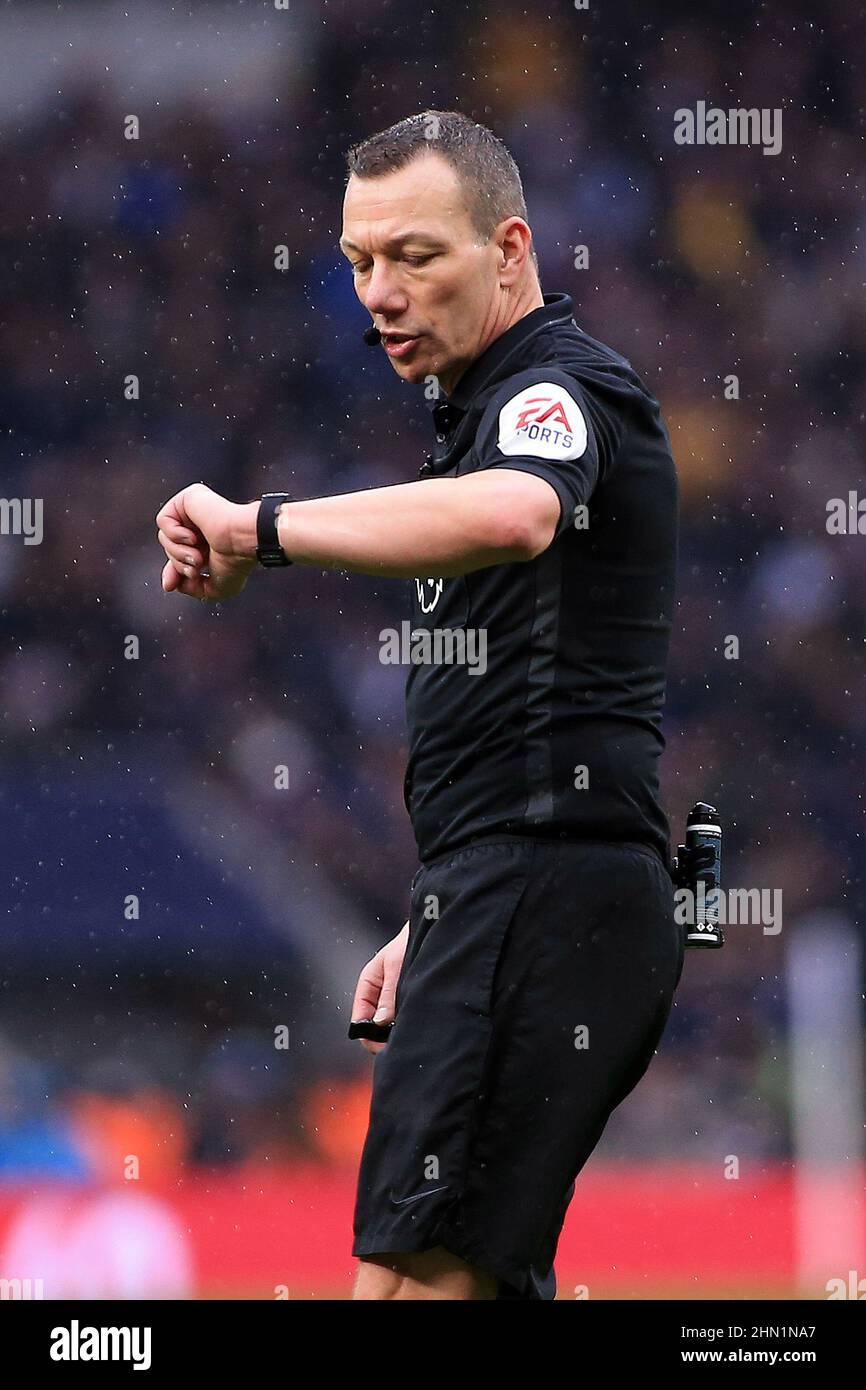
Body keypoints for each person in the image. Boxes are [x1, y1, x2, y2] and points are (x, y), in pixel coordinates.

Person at [155, 110, 684, 1301]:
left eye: (414, 256)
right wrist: (438, 914)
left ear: (508, 249)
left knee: (414, 1284)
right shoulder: (478, 430)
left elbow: (516, 514)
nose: (377, 294)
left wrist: (263, 526)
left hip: (545, 897)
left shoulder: (555, 394)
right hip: (508, 897)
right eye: (357, 262)